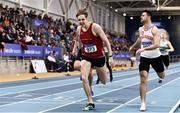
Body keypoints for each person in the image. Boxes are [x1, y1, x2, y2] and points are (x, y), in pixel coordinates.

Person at [72, 3, 113, 111]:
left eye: (82, 20)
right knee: (84, 77)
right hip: (87, 56)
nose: (81, 22)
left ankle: (98, 73)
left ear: (87, 18)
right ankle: (90, 102)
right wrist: (76, 49)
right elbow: (78, 40)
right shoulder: (79, 29)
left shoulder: (95, 27)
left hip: (99, 57)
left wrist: (111, 56)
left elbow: (106, 41)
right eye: (79, 20)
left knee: (104, 81)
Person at [129, 10, 165, 111]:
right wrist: (133, 46)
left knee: (161, 75)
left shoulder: (155, 30)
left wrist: (143, 48)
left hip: (155, 57)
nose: (141, 17)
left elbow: (157, 44)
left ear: (149, 17)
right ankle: (143, 103)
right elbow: (140, 40)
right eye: (141, 15)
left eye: (143, 15)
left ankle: (161, 73)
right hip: (144, 57)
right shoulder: (140, 29)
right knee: (143, 78)